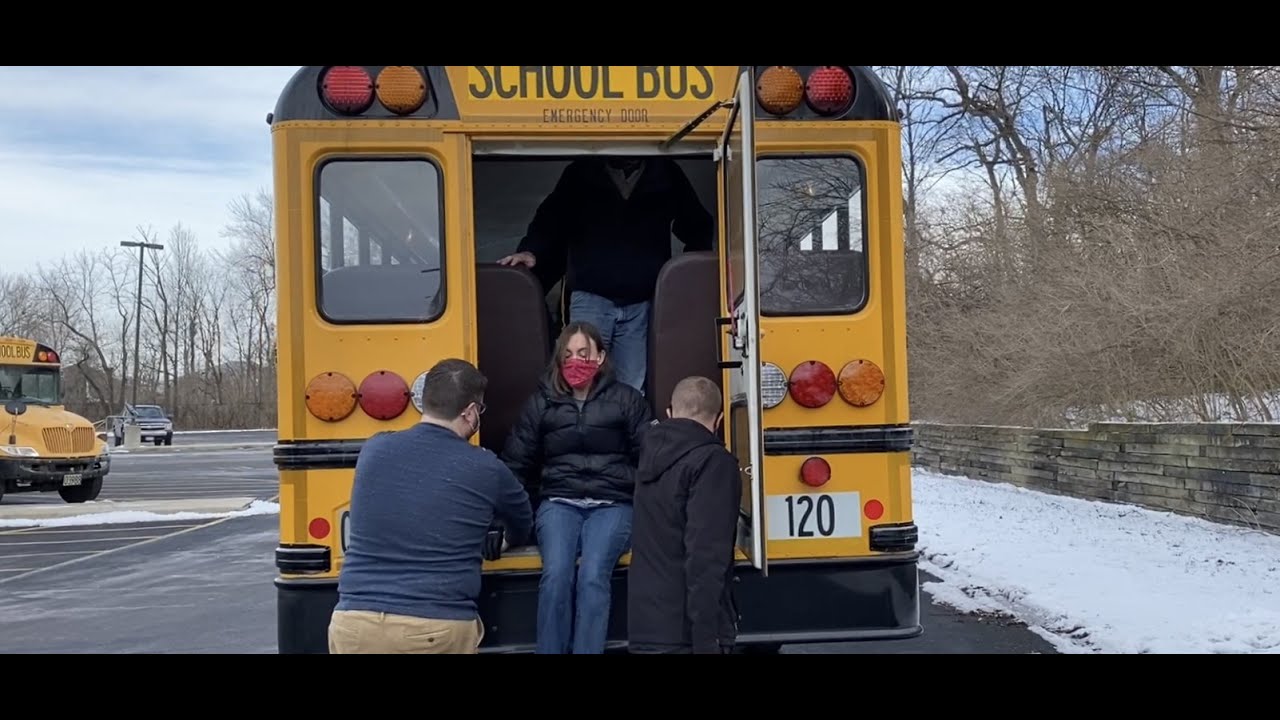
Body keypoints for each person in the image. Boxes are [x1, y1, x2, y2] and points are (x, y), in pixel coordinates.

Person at [328, 358, 533, 654]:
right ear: (471, 412)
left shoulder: (374, 449)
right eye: (480, 410)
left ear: (425, 403)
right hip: (434, 627)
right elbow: (522, 521)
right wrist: (504, 542)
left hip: (354, 623)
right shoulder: (486, 467)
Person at [497, 156, 715, 394]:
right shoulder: (581, 170)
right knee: (579, 380)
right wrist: (531, 250)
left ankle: (625, 432)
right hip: (591, 295)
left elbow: (697, 222)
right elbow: (551, 216)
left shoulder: (665, 171)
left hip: (641, 301)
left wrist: (691, 269)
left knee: (632, 386)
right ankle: (580, 431)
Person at [500, 321, 654, 654]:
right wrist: (500, 519)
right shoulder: (542, 401)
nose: (575, 361)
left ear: (601, 356)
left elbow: (650, 461)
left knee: (593, 575)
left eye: (584, 353)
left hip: (613, 503)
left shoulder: (627, 400)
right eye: (568, 354)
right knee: (556, 576)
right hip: (559, 501)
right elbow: (516, 462)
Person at [627, 375, 742, 655]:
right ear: (720, 419)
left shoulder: (651, 455)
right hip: (685, 633)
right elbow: (704, 557)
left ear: (669, 413)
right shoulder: (713, 463)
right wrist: (707, 639)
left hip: (646, 627)